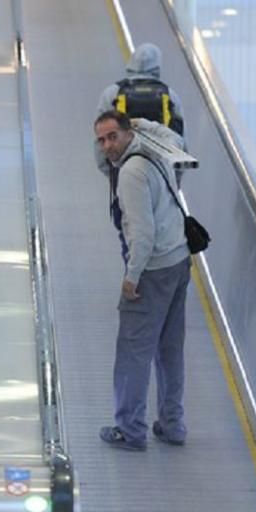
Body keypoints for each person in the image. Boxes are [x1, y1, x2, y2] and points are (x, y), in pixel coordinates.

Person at [93, 110, 190, 451]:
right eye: (101, 140)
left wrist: (131, 277)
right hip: (179, 260)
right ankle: (173, 424)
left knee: (133, 353)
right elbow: (177, 137)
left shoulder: (131, 172)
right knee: (169, 349)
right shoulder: (159, 148)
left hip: (153, 270)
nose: (106, 145)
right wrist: (142, 124)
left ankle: (131, 430)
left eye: (112, 137)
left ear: (126, 132)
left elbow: (143, 234)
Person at [95, 43, 185, 264]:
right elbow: (180, 148)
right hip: (161, 183)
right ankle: (153, 279)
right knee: (160, 233)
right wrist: (174, 183)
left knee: (131, 233)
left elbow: (99, 147)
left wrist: (114, 175)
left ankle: (135, 281)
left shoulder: (112, 94)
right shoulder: (170, 95)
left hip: (124, 180)